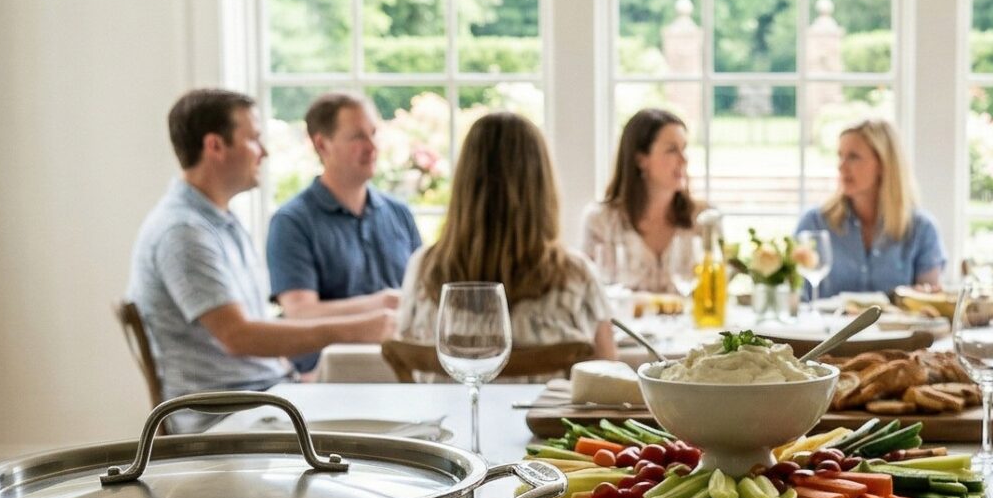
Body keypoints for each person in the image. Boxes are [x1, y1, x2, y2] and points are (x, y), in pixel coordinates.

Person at [125, 88, 395, 414]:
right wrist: (357, 329)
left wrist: (297, 376)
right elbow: (239, 336)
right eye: (253, 138)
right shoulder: (182, 232)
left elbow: (249, 328)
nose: (264, 152)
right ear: (215, 146)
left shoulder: (218, 221)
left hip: (263, 396)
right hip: (226, 415)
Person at [397, 110, 619, 362]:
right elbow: (609, 381)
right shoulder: (577, 276)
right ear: (542, 186)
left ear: (464, 185)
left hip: (452, 403)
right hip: (546, 403)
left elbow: (406, 350)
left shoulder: (423, 270)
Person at [265, 92, 421, 376]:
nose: (372, 146)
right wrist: (382, 303)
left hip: (402, 369)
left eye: (373, 133)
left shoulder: (399, 214)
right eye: (357, 137)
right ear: (322, 144)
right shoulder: (291, 222)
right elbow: (299, 313)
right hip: (327, 379)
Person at [795, 118, 948, 294]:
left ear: (883, 165)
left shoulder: (922, 229)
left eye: (853, 157)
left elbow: (928, 306)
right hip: (829, 323)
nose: (841, 166)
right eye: (840, 156)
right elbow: (797, 300)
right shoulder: (814, 224)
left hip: (893, 323)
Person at [583, 107, 703, 292]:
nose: (683, 159)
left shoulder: (703, 219)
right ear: (641, 159)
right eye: (672, 150)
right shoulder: (601, 221)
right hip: (623, 322)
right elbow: (589, 296)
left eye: (684, 148)